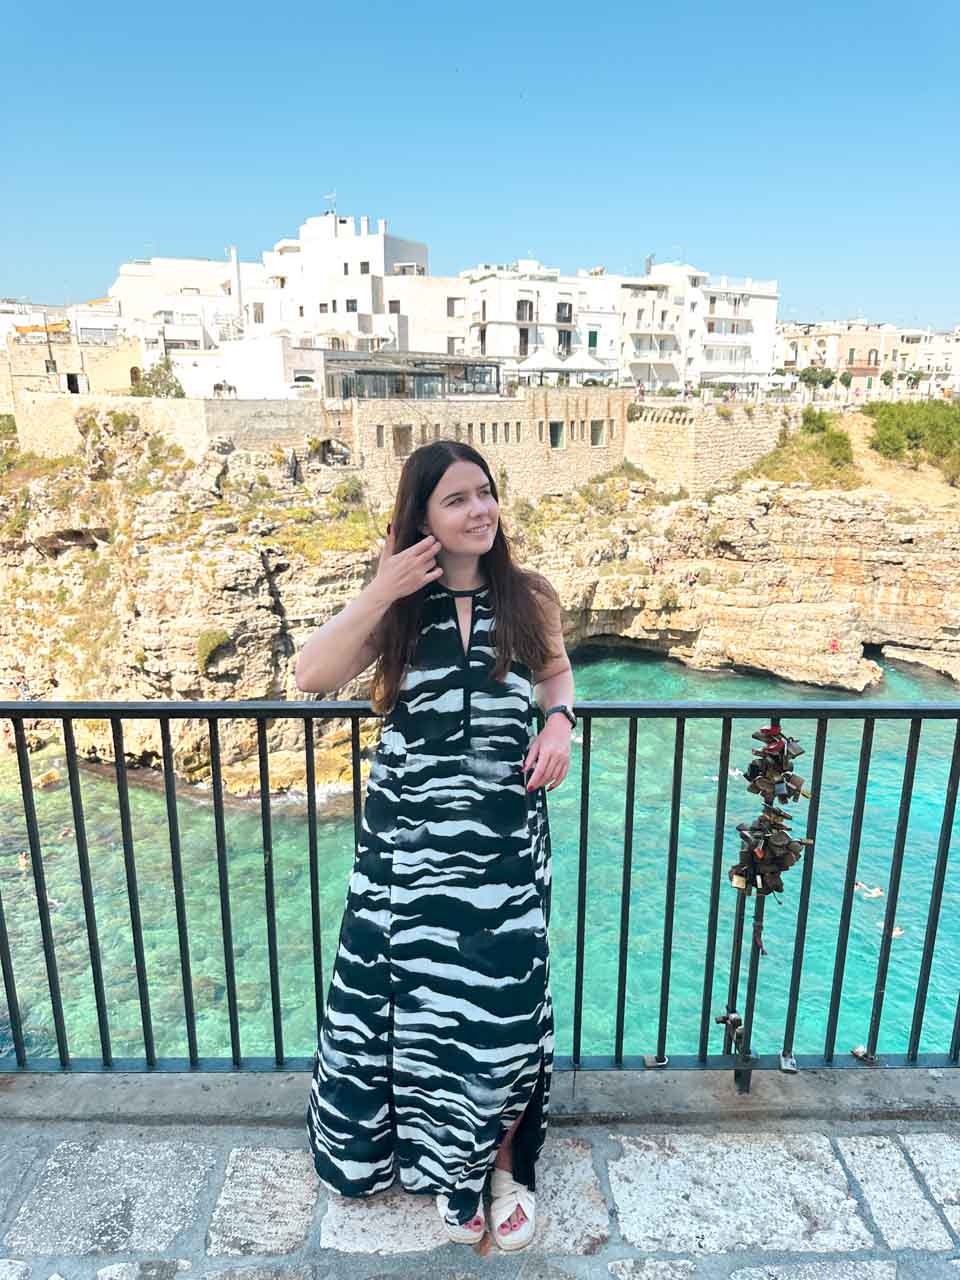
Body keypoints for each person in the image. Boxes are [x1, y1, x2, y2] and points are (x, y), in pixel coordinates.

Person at [297, 440, 573, 1252]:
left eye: (485, 494)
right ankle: (416, 1160)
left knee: (505, 1013)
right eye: (457, 499)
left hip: (502, 844)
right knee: (410, 1013)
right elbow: (312, 675)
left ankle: (491, 1169)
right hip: (406, 851)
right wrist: (382, 586)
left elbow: (556, 676)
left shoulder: (530, 598)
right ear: (421, 517)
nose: (480, 510)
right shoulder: (398, 607)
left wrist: (558, 722)